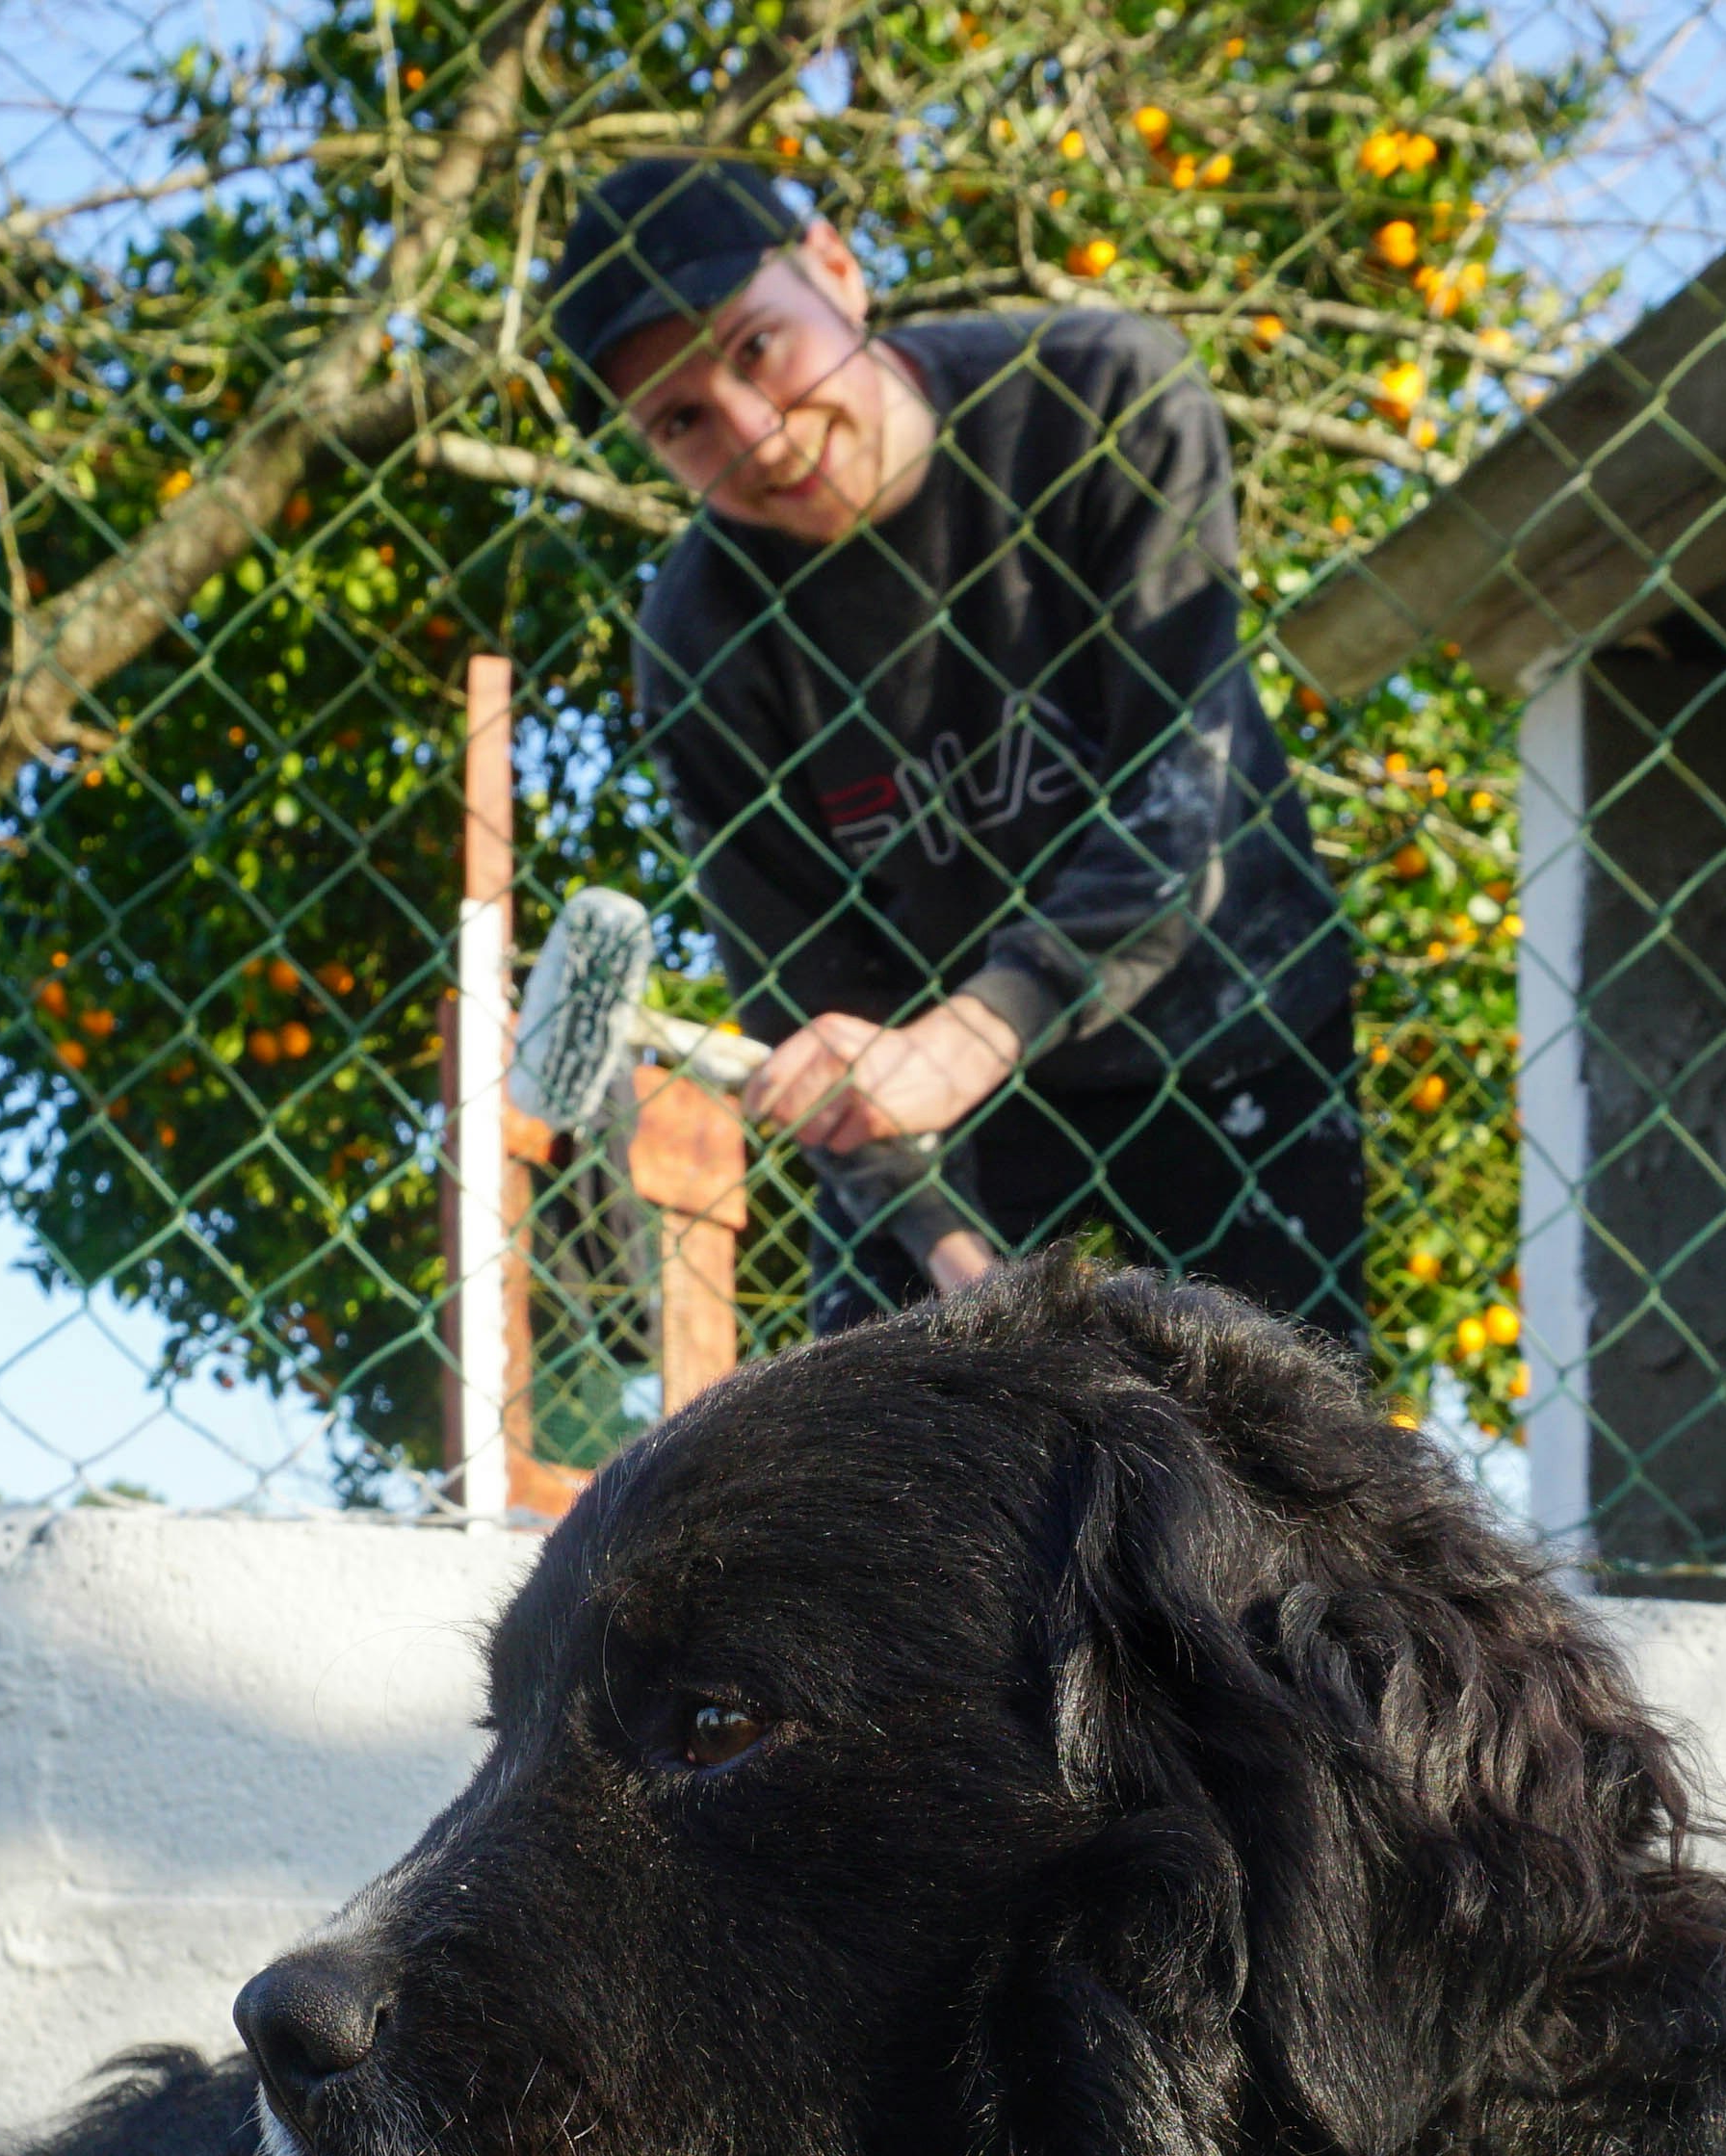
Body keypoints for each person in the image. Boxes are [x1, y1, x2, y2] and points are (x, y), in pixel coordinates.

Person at [552, 159, 1369, 1343]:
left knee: (1267, 1481)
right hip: (949, 1122)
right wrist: (953, 1253)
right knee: (901, 1492)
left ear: (836, 268)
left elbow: (1177, 811)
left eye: (756, 349)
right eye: (679, 420)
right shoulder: (702, 635)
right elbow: (810, 994)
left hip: (1226, 1038)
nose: (758, 433)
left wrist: (970, 1036)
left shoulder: (1103, 397)